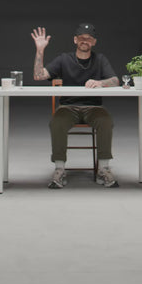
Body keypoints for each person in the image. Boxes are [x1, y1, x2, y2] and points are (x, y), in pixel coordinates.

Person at [31, 23, 119, 188]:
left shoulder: (100, 59)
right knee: (57, 122)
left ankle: (103, 169)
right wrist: (40, 50)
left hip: (94, 108)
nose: (85, 41)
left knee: (106, 121)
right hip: (68, 107)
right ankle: (59, 169)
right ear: (75, 40)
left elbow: (115, 81)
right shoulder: (64, 59)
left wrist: (100, 83)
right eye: (81, 38)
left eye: (89, 38)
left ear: (94, 42)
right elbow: (38, 75)